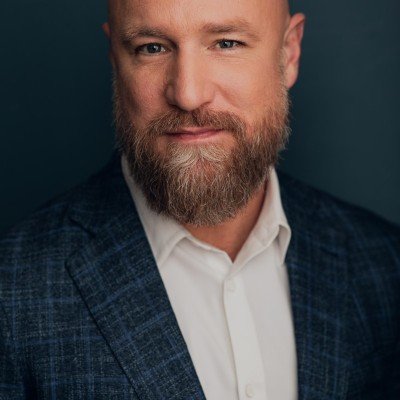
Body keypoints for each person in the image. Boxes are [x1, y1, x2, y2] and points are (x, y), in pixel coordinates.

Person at [0, 0, 399, 399]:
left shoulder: (385, 266)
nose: (188, 95)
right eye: (152, 48)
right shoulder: (14, 292)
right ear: (116, 59)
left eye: (227, 43)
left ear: (289, 53)